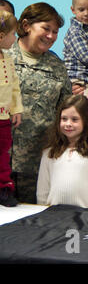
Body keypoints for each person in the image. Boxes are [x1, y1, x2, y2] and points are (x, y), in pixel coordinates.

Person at [6, 2, 88, 204]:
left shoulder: (57, 66)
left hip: (39, 164)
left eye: (55, 32)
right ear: (26, 26)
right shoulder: (3, 58)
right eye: (46, 29)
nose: (51, 36)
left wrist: (86, 104)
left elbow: (65, 109)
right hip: (3, 161)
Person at [37, 95, 88, 209]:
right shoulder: (49, 152)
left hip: (85, 217)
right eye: (64, 119)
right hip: (53, 216)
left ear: (86, 121)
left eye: (74, 119)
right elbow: (42, 190)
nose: (68, 124)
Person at [0, 11, 22, 207]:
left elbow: (14, 86)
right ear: (1, 36)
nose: (15, 39)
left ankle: (4, 188)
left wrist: (16, 109)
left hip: (4, 118)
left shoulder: (8, 59)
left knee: (3, 153)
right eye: (13, 34)